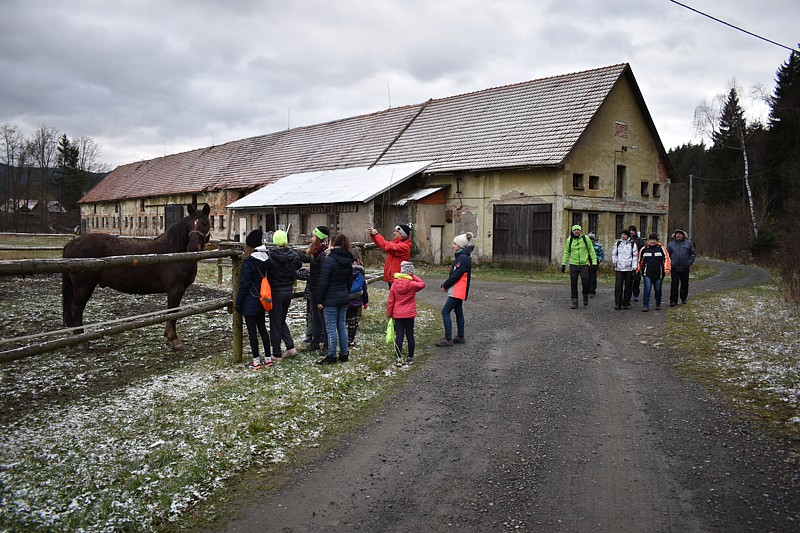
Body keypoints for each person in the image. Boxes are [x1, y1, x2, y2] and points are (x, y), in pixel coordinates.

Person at [234, 229, 272, 370]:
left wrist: (238, 303)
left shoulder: (249, 262)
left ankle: (256, 361)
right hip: (262, 299)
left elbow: (244, 284)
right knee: (262, 328)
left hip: (250, 299)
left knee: (252, 331)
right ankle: (268, 358)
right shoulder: (267, 258)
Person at [316, 233, 354, 365]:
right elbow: (349, 280)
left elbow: (324, 282)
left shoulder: (330, 259)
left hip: (330, 298)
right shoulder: (348, 259)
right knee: (342, 326)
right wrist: (345, 293)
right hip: (343, 296)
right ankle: (344, 353)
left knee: (331, 327)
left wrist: (319, 300)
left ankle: (331, 355)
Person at [266, 230, 302, 363]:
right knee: (281, 319)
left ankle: (276, 352)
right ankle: (290, 346)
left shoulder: (270, 255)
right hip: (288, 289)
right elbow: (298, 265)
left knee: (275, 321)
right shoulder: (293, 254)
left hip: (275, 290)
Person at [435, 232, 473, 347]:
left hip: (457, 290)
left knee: (445, 312)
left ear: (461, 246)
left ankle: (448, 338)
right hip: (459, 290)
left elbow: (456, 275)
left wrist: (445, 285)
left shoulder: (462, 258)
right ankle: (460, 336)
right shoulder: (463, 257)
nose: (453, 245)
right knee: (458, 312)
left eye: (455, 244)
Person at [387, 261, 426, 365]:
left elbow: (391, 300)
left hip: (398, 315)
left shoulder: (394, 284)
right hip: (409, 315)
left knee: (399, 336)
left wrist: (389, 314)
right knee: (410, 335)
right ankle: (410, 357)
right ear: (410, 273)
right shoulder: (412, 285)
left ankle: (398, 358)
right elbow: (422, 284)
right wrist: (413, 276)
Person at [298, 226, 329, 352]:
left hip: (319, 288)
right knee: (315, 317)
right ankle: (315, 342)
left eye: (314, 236)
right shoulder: (316, 251)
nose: (311, 238)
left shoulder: (323, 253)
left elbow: (320, 273)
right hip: (314, 287)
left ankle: (326, 345)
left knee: (323, 319)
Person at [561, 224, 598, 309]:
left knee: (585, 281)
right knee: (573, 283)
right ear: (572, 231)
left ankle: (585, 296)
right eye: (575, 230)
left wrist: (594, 262)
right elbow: (567, 253)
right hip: (573, 264)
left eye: (578, 230)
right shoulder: (569, 240)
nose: (576, 231)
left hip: (584, 264)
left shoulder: (585, 239)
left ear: (580, 231)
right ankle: (574, 301)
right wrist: (563, 264)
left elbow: (591, 250)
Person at [637, 233, 671, 312]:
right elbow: (639, 261)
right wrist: (637, 270)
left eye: (654, 240)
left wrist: (667, 269)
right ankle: (646, 305)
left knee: (658, 289)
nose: (652, 241)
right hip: (647, 273)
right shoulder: (644, 249)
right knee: (647, 289)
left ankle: (658, 303)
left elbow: (667, 259)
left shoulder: (661, 248)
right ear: (648, 240)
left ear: (657, 241)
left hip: (658, 273)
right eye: (651, 240)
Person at [346, 245, 369, 348]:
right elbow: (364, 285)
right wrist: (365, 300)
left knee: (346, 320)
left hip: (347, 298)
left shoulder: (345, 266)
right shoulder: (361, 267)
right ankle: (351, 339)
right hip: (357, 298)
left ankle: (347, 339)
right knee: (354, 319)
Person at [667, 229, 696, 307]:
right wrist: (670, 264)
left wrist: (689, 262)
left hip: (685, 267)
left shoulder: (689, 243)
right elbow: (667, 255)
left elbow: (693, 253)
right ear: (675, 235)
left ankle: (683, 298)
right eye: (677, 234)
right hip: (674, 267)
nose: (678, 235)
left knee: (684, 284)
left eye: (680, 234)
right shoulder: (671, 244)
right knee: (674, 284)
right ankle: (673, 300)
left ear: (683, 235)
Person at [611, 229, 638, 310]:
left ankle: (626, 303)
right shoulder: (618, 243)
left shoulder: (633, 244)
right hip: (619, 268)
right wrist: (615, 263)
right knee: (618, 286)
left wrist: (634, 267)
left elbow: (635, 257)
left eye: (625, 234)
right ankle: (618, 303)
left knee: (628, 286)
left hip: (629, 269)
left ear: (628, 236)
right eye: (622, 234)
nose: (623, 236)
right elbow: (614, 254)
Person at [628, 225, 646, 302]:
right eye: (630, 230)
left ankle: (636, 294)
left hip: (637, 263)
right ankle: (628, 294)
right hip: (627, 262)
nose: (631, 232)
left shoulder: (640, 241)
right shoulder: (626, 240)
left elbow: (644, 251)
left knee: (636, 279)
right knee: (628, 280)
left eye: (633, 230)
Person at [587, 232, 605, 297]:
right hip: (586, 263)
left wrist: (598, 261)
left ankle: (592, 290)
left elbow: (601, 254)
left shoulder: (598, 246)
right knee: (586, 277)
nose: (590, 240)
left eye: (592, 239)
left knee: (593, 277)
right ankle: (587, 290)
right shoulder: (585, 246)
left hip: (594, 263)